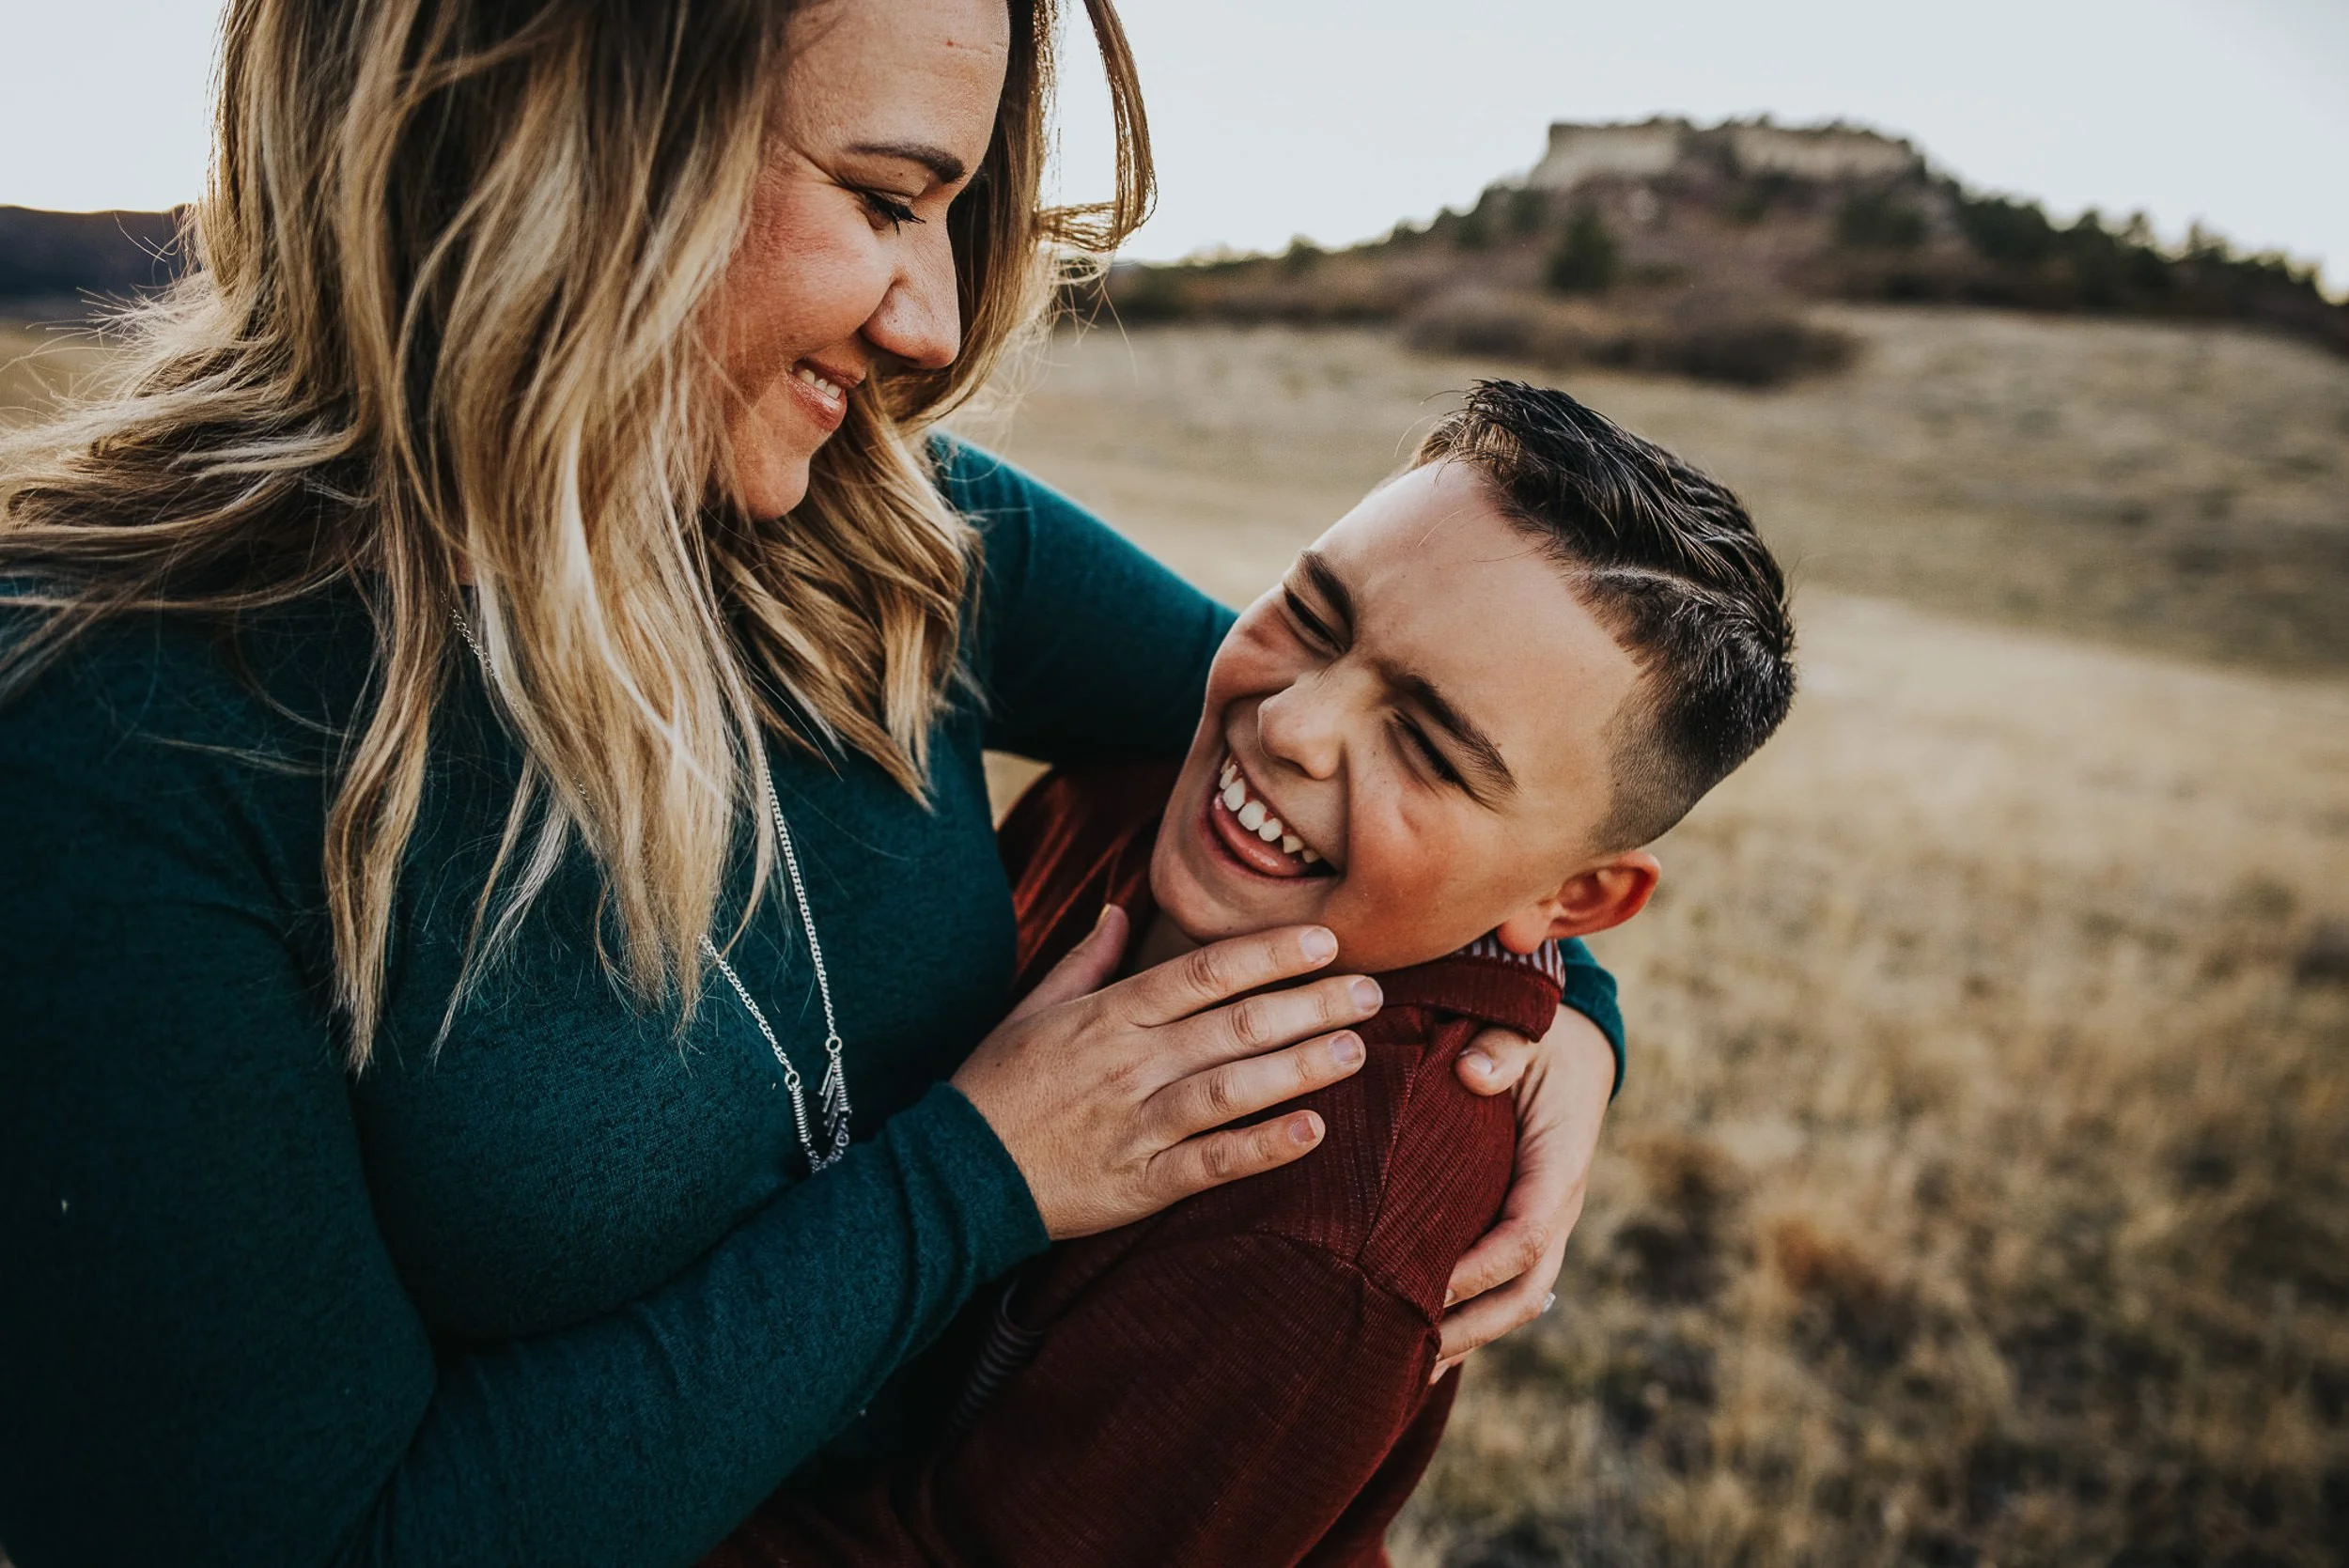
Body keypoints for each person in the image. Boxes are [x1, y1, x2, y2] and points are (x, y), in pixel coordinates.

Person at [0, 4, 1626, 1566]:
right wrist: (980, 1170)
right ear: (561, 131)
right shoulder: (117, 719)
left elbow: (1369, 749)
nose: (929, 323)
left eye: (955, 214)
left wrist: (1560, 1003)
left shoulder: (905, 536)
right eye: (882, 199)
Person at [708, 382, 1796, 1567]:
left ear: (1571, 902)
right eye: (1316, 618)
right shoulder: (1131, 804)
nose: (1292, 724)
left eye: (1427, 747)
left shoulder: (1325, 1233)